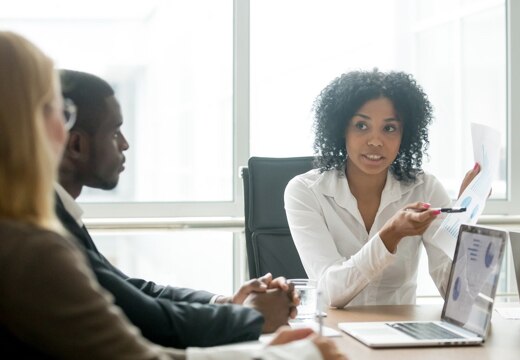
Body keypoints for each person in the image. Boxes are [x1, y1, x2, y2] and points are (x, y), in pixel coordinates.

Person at [0, 30, 347, 360]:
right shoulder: (29, 243)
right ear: (23, 123)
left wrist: (229, 307)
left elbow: (127, 292)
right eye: (57, 111)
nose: (125, 144)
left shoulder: (29, 228)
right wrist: (277, 347)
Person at [55, 69, 301, 348]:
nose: (125, 143)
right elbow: (148, 320)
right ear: (76, 144)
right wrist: (250, 317)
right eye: (114, 132)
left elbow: (129, 291)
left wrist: (224, 303)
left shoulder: (59, 211)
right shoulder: (48, 226)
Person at [284, 69, 479, 308]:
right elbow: (330, 291)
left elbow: (459, 295)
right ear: (341, 129)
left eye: (389, 129)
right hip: (334, 334)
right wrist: (390, 235)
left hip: (402, 334)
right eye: (361, 126)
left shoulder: (424, 188)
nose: (375, 141)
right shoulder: (306, 191)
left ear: (404, 135)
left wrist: (463, 216)